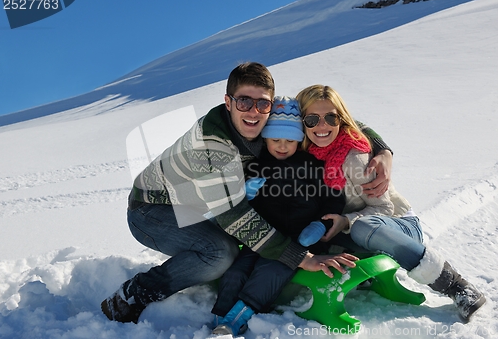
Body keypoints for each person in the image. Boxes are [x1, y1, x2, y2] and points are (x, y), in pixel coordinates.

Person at [100, 62, 390, 324]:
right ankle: (135, 293)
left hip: (202, 206)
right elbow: (235, 216)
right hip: (153, 209)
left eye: (262, 103)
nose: (253, 111)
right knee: (219, 254)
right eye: (244, 101)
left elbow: (336, 120)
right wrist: (299, 257)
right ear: (228, 102)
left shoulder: (268, 121)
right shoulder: (212, 145)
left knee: (241, 242)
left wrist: (382, 149)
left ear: (271, 104)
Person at [296, 84, 486, 322]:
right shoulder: (303, 153)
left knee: (362, 226)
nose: (322, 126)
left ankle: (457, 286)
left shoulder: (355, 157)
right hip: (349, 231)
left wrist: (346, 220)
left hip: (394, 226)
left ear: (340, 119)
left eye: (331, 118)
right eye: (312, 119)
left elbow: (383, 208)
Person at [210, 96, 357, 336]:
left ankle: (237, 319)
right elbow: (238, 204)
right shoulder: (256, 165)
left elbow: (333, 197)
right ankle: (220, 317)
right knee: (237, 270)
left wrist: (319, 225)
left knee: (272, 270)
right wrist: (245, 194)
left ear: (299, 141)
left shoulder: (313, 165)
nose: (282, 146)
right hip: (261, 235)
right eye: (275, 139)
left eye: (290, 140)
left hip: (299, 239)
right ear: (265, 138)